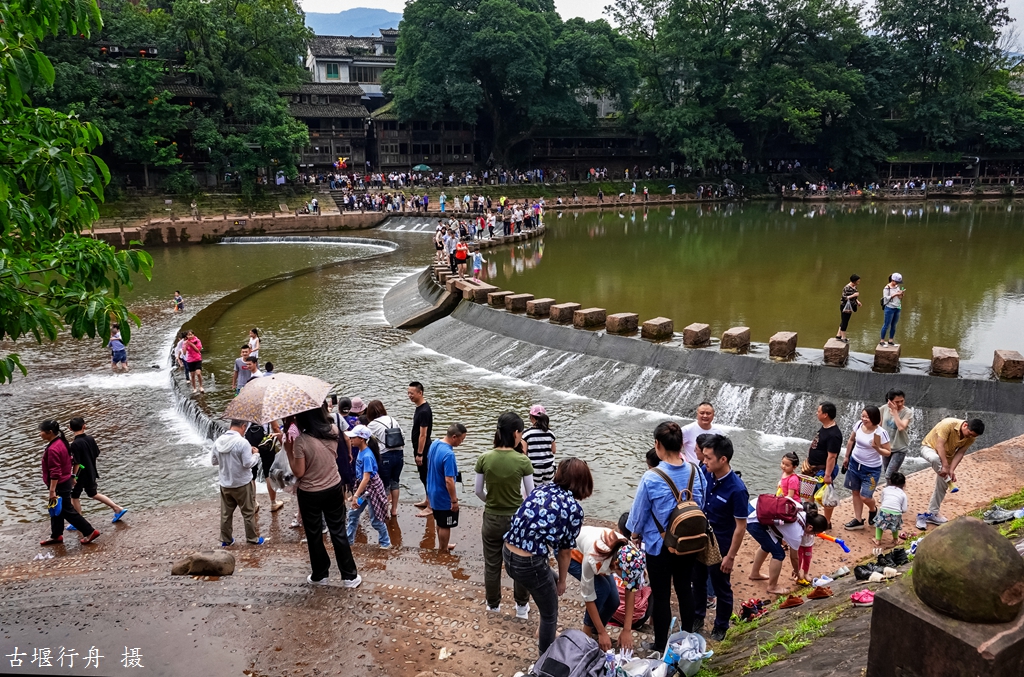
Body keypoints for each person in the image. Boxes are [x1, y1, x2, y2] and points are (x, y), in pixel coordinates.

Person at [626, 421, 707, 652]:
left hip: (659, 545)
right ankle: (690, 639)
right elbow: (700, 505)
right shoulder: (696, 470)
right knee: (684, 587)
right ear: (682, 444)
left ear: (657, 444)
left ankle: (661, 645)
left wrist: (634, 535)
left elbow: (638, 515)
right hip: (689, 541)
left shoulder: (651, 477)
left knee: (661, 595)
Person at [503, 458, 591, 655]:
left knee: (549, 580)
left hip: (508, 553)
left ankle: (545, 632)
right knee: (550, 613)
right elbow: (565, 552)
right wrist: (563, 582)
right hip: (529, 563)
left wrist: (558, 579)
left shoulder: (541, 489)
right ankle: (545, 658)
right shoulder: (574, 509)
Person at [284, 406, 361, 587]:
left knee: (314, 534)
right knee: (338, 530)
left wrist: (288, 449)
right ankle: (349, 576)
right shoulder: (333, 430)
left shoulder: (301, 441)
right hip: (334, 487)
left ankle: (320, 574)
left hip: (310, 492)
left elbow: (299, 471)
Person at [475, 412, 536, 613]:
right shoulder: (522, 461)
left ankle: (493, 606)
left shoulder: (484, 458)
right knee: (520, 564)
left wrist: (491, 502)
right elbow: (531, 495)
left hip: (491, 518)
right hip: (516, 519)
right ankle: (521, 607)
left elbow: (478, 491)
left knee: (492, 565)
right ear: (516, 433)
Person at [691, 435, 749, 642]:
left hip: (721, 545)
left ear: (723, 459)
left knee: (721, 586)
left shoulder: (737, 489)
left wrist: (730, 556)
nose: (704, 461)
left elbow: (741, 527)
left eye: (708, 458)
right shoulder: (706, 476)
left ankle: (721, 625)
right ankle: (697, 616)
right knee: (697, 581)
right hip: (700, 540)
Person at [568, 526, 645, 651]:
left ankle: (596, 630)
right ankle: (586, 633)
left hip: (602, 555)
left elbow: (630, 590)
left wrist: (627, 630)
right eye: (625, 577)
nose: (627, 581)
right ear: (616, 566)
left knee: (614, 601)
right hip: (570, 553)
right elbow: (588, 597)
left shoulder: (631, 554)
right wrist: (602, 633)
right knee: (602, 589)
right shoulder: (593, 559)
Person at [747, 498, 828, 595]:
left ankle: (754, 574)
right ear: (810, 527)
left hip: (755, 505)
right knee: (778, 554)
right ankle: (772, 587)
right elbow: (794, 557)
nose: (812, 536)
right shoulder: (797, 534)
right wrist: (797, 572)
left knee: (768, 545)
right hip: (753, 520)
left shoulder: (799, 507)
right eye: (814, 533)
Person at [38, 420, 100, 546]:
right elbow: (70, 461)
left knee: (66, 510)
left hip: (59, 484)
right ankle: (56, 535)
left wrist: (52, 490)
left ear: (49, 432)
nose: (40, 434)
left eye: (41, 431)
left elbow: (55, 471)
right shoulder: (61, 442)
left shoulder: (53, 449)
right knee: (56, 509)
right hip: (65, 480)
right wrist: (72, 476)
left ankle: (89, 531)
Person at [916, 418, 984, 530]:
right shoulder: (948, 424)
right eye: (970, 434)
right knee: (934, 458)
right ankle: (949, 481)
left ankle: (932, 513)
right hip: (929, 448)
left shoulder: (971, 438)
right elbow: (939, 446)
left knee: (941, 486)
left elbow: (960, 452)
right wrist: (945, 466)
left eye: (973, 436)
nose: (970, 437)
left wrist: (951, 469)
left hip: (946, 458)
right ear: (965, 425)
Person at [211, 420, 266, 546]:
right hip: (242, 483)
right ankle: (252, 539)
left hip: (225, 483)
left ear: (231, 426)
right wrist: (256, 455)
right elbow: (248, 463)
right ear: (243, 426)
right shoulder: (243, 442)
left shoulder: (218, 441)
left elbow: (214, 461)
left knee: (226, 514)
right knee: (248, 513)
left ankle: (226, 540)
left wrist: (227, 461)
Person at [67, 417, 128, 527]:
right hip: (91, 471)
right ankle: (117, 508)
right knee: (93, 493)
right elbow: (96, 453)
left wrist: (73, 476)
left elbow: (77, 462)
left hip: (81, 474)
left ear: (70, 429)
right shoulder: (90, 439)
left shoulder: (75, 444)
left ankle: (79, 521)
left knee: (74, 496)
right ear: (84, 426)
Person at [842, 406, 891, 531]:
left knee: (865, 496)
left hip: (871, 469)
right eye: (862, 416)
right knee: (855, 492)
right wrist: (846, 457)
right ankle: (858, 520)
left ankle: (873, 509)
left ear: (874, 418)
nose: (863, 419)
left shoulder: (880, 433)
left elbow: (888, 452)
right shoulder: (858, 425)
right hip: (854, 463)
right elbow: (851, 440)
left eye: (866, 417)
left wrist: (877, 448)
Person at [345, 425, 392, 549]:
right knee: (353, 514)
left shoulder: (367, 456)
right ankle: (348, 540)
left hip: (371, 489)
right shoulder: (362, 452)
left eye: (353, 438)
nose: (351, 440)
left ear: (361, 439)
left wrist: (355, 495)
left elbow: (366, 478)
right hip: (364, 489)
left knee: (376, 519)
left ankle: (385, 542)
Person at [426, 423, 467, 551]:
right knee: (446, 524)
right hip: (443, 494)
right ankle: (443, 549)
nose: (462, 442)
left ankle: (442, 544)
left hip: (432, 490)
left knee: (439, 520)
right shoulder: (449, 454)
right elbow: (449, 480)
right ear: (454, 437)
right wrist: (454, 500)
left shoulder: (435, 444)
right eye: (462, 439)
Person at [805, 402, 843, 527]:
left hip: (823, 470)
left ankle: (826, 522)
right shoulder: (825, 427)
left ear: (825, 415)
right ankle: (811, 519)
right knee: (809, 494)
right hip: (813, 468)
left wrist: (827, 475)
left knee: (826, 497)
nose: (817, 413)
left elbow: (832, 456)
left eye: (819, 411)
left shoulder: (834, 434)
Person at [366, 400, 405, 518]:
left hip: (385, 456)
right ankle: (394, 509)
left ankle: (384, 510)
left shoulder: (372, 424)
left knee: (384, 484)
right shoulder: (393, 420)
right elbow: (402, 436)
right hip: (399, 454)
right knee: (395, 482)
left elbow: (366, 440)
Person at [408, 382, 434, 518]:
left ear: (420, 393)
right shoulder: (420, 408)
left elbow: (423, 434)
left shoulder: (424, 411)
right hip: (419, 448)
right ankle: (427, 500)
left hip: (423, 449)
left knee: (427, 476)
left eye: (412, 393)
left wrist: (419, 453)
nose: (409, 396)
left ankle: (431, 506)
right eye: (408, 393)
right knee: (423, 476)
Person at [881, 389, 913, 481]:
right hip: (886, 447)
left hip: (899, 448)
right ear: (890, 401)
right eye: (896, 402)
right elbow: (878, 426)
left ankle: (890, 493)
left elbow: (901, 427)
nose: (900, 404)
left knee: (889, 475)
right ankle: (894, 490)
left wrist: (894, 411)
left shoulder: (907, 412)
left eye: (902, 401)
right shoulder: (883, 409)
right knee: (887, 472)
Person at [522, 405, 556, 483]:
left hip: (535, 468)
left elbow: (523, 453)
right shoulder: (550, 433)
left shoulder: (526, 434)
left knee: (536, 491)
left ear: (532, 418)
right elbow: (553, 451)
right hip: (549, 467)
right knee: (548, 489)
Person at [874, 472, 908, 546]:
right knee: (895, 526)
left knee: (879, 525)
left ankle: (877, 540)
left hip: (884, 511)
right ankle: (895, 540)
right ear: (904, 484)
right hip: (896, 513)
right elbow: (904, 509)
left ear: (890, 481)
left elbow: (882, 501)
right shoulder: (903, 494)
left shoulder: (885, 490)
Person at [879, 273, 905, 346]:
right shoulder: (887, 288)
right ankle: (882, 341)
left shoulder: (897, 287)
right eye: (896, 282)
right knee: (886, 325)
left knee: (894, 325)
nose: (897, 284)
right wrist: (896, 294)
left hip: (897, 307)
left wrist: (901, 294)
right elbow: (886, 298)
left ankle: (891, 340)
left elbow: (900, 298)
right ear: (893, 280)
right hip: (889, 308)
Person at [836, 274, 861, 343]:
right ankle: (843, 337)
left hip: (851, 306)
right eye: (858, 281)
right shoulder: (847, 288)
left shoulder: (854, 287)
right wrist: (853, 295)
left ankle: (838, 335)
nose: (858, 283)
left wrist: (857, 301)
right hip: (845, 307)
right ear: (854, 281)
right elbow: (844, 298)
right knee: (845, 322)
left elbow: (854, 297)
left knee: (844, 320)